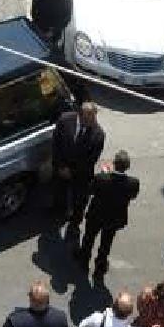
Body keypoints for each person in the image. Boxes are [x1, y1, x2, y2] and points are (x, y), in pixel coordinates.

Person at [77, 151, 140, 280]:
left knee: (88, 238)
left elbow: (90, 190)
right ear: (127, 167)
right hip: (115, 218)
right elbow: (132, 196)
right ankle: (100, 266)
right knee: (106, 243)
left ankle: (84, 261)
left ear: (114, 163)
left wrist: (104, 173)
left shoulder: (101, 178)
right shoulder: (133, 183)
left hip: (96, 215)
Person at [52, 102, 105, 240]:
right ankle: (59, 211)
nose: (93, 122)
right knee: (59, 192)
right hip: (61, 168)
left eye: (94, 118)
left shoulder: (98, 134)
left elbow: (91, 160)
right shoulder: (65, 120)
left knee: (80, 201)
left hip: (81, 175)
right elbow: (56, 144)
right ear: (80, 116)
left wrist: (72, 172)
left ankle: (75, 223)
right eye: (89, 119)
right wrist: (60, 166)